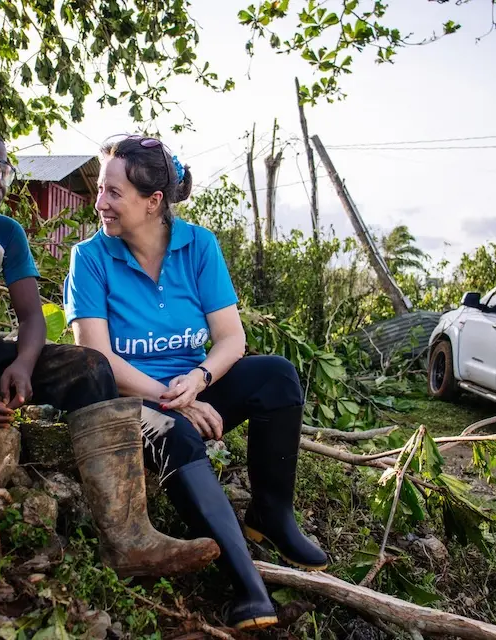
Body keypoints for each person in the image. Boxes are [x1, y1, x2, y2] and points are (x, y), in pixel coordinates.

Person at [0, 123, 218, 579]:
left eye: (3, 169)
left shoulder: (5, 232)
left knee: (88, 364)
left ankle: (128, 537)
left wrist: (24, 366)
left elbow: (30, 317)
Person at [63, 134, 330, 631]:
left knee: (275, 375)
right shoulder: (91, 258)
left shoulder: (198, 246)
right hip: (128, 400)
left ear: (153, 201)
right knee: (176, 431)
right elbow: (96, 358)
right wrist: (174, 402)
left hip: (190, 386)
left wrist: (199, 379)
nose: (100, 202)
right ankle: (246, 585)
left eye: (113, 193)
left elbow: (232, 338)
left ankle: (271, 515)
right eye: (100, 189)